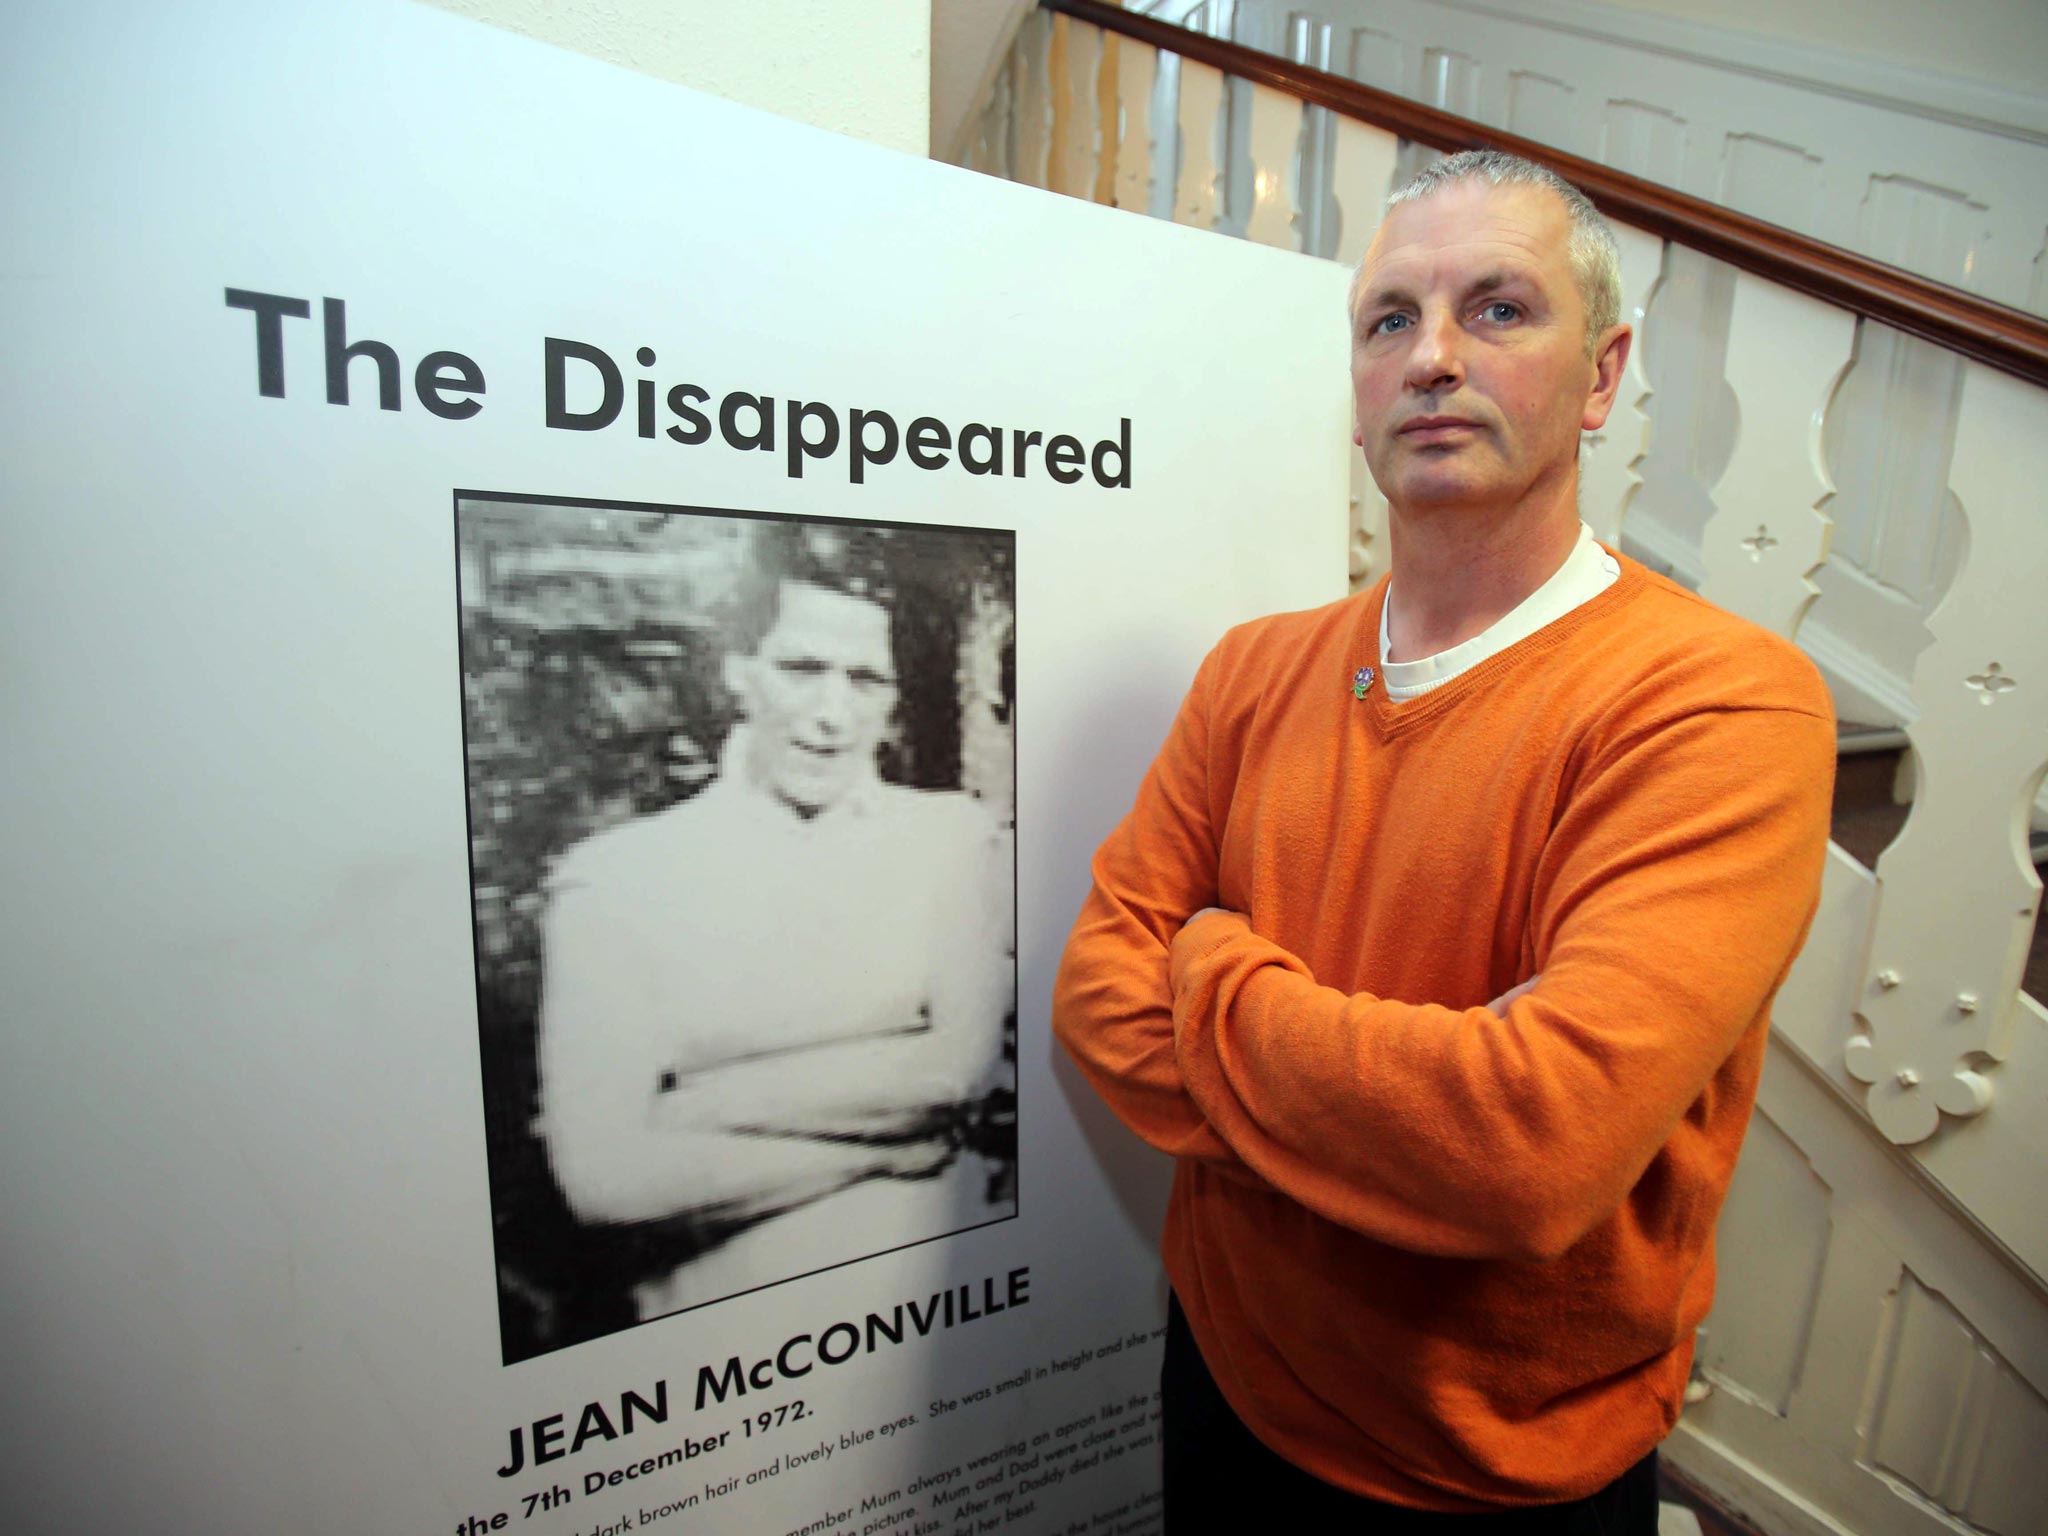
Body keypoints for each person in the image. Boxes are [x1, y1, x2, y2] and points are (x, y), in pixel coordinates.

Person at [1052, 150, 1835, 1529]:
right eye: (1390, 320)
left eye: (1499, 309)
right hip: (1228, 1377)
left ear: (1601, 377)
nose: (1433, 359)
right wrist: (1407, 1101)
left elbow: (1530, 1147)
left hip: (1503, 1474)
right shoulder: (1254, 672)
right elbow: (1096, 997)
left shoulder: (1718, 702)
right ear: (1358, 385)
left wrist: (1217, 968)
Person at [537, 525, 1013, 1319]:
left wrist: (696, 1105)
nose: (832, 714)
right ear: (741, 674)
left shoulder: (950, 840)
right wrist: (888, 1147)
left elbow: (952, 1076)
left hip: (940, 1322)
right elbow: (604, 1180)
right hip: (723, 1346)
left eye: (866, 680)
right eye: (802, 669)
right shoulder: (619, 881)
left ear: (894, 701)